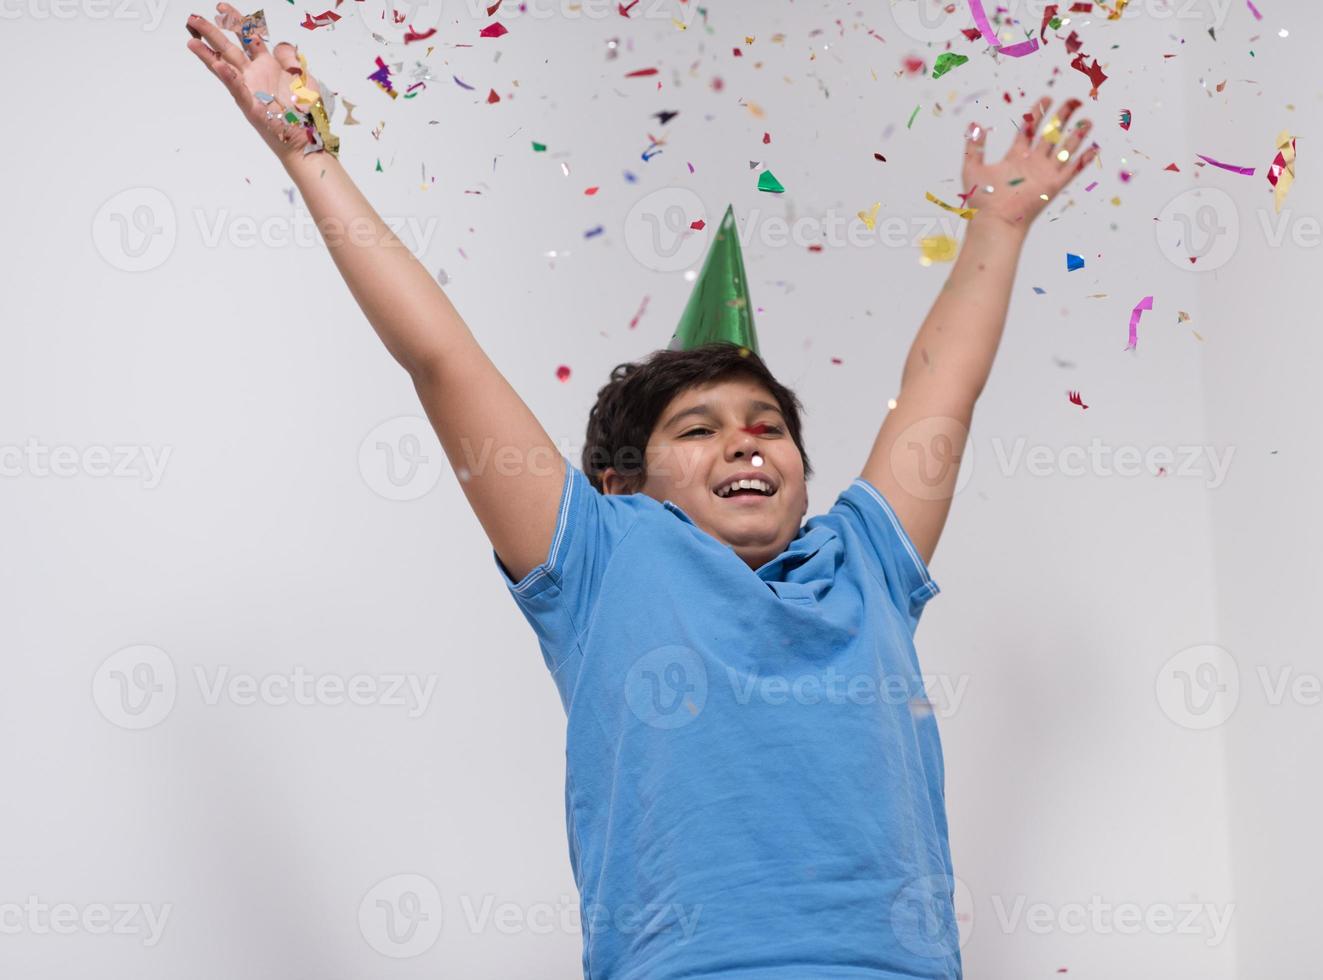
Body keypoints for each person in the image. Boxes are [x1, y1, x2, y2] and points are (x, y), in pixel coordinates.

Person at [184, 8, 1098, 975]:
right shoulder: (602, 557)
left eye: (767, 426)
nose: (746, 444)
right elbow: (439, 359)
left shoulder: (862, 561)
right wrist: (308, 156)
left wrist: (996, 226)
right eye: (697, 430)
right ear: (622, 482)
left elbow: (940, 387)